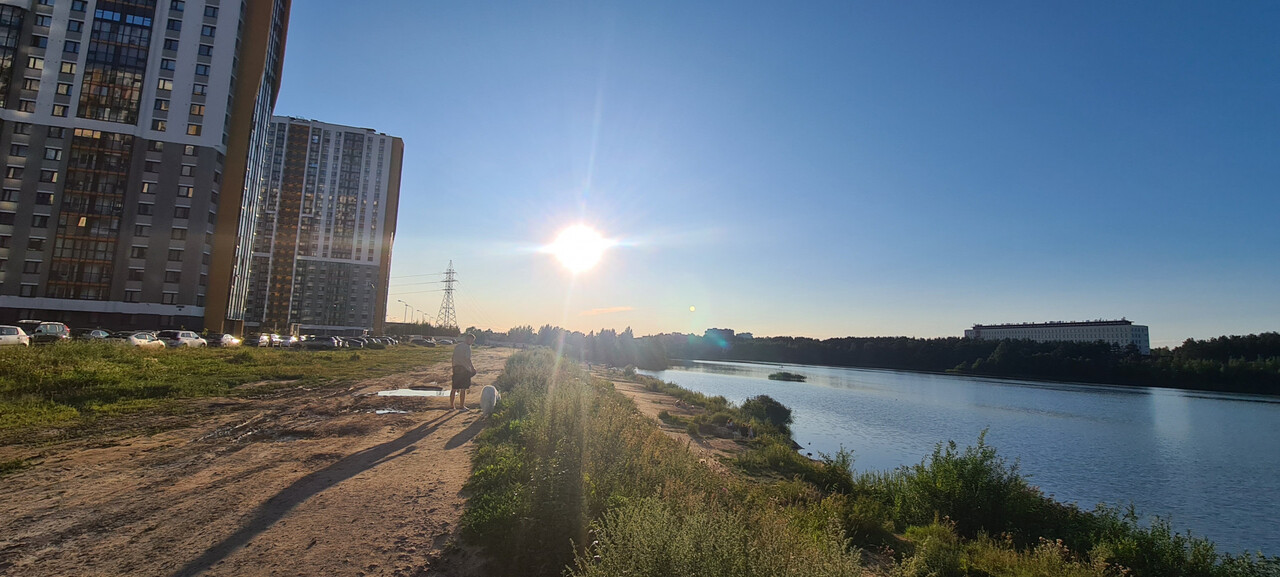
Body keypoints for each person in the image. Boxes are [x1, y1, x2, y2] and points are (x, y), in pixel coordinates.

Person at [450, 333, 477, 410]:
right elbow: (467, 359)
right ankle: (461, 406)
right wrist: (472, 368)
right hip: (464, 369)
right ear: (468, 339)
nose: (472, 342)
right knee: (463, 388)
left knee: (454, 388)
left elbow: (453, 357)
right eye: (472, 340)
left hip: (456, 368)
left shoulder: (458, 346)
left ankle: (452, 406)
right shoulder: (467, 347)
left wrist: (453, 367)